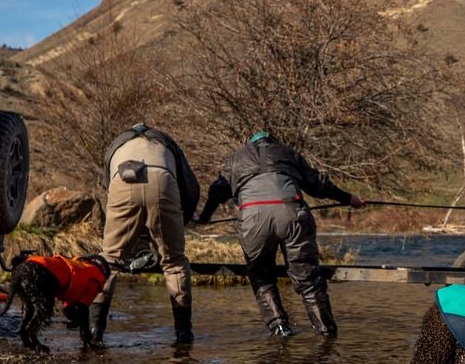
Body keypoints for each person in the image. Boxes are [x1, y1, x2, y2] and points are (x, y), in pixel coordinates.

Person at [195, 131, 365, 336]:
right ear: (272, 142)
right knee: (308, 278)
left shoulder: (236, 159)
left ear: (251, 144)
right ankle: (326, 331)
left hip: (252, 217)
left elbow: (216, 192)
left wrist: (204, 218)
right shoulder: (288, 152)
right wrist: (349, 199)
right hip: (292, 212)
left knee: (261, 274)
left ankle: (280, 327)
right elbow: (318, 185)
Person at [91, 123, 200, 344]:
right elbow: (190, 190)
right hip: (162, 179)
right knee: (174, 262)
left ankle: (94, 331)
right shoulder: (167, 143)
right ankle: (183, 334)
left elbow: (109, 186)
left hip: (122, 178)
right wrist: (180, 223)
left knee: (110, 260)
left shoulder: (116, 145)